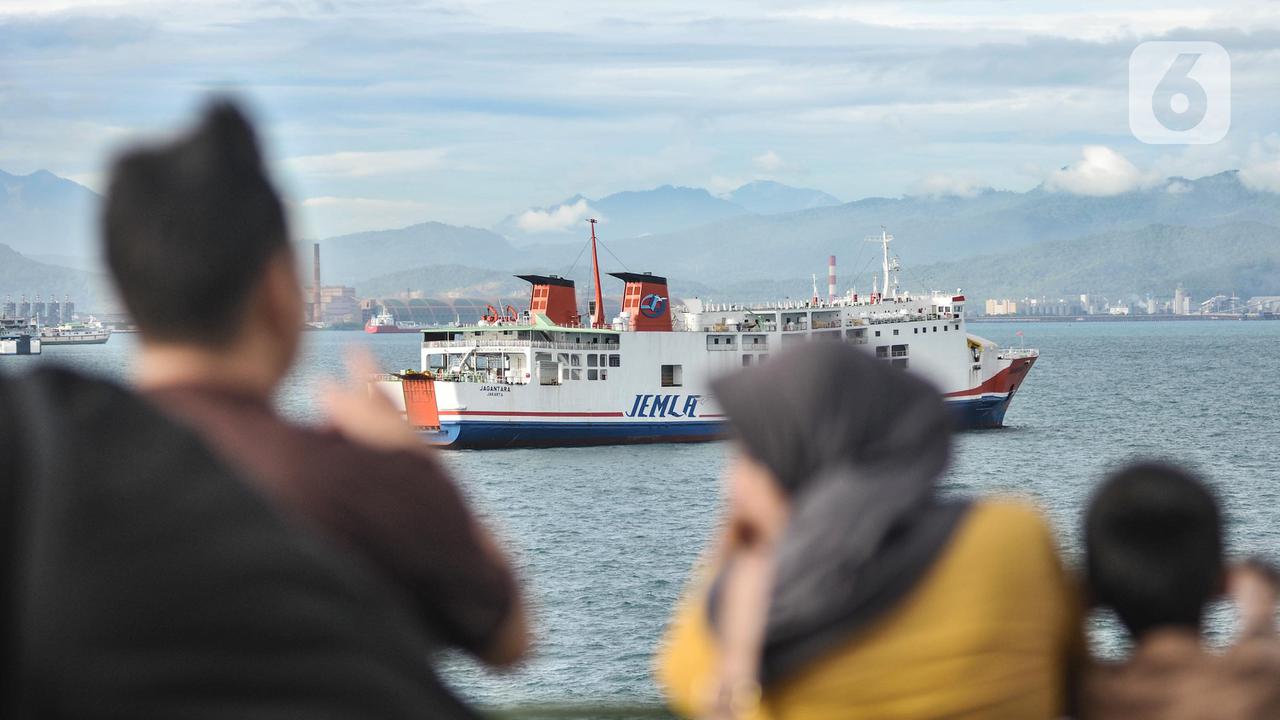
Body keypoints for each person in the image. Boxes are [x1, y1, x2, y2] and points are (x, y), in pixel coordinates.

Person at [101, 101, 528, 670]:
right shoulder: (345, 480)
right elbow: (508, 639)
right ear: (278, 292)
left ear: (126, 291)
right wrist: (412, 463)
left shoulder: (41, 460)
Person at [656, 342, 1081, 719]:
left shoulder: (739, 618)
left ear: (795, 457)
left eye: (752, 454)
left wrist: (741, 542)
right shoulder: (1014, 537)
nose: (732, 478)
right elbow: (1070, 666)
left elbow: (681, 677)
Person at [1080, 463, 1280, 719]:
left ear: (1096, 589)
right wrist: (1259, 617)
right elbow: (1264, 668)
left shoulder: (1083, 697)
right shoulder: (1260, 692)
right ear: (1220, 581)